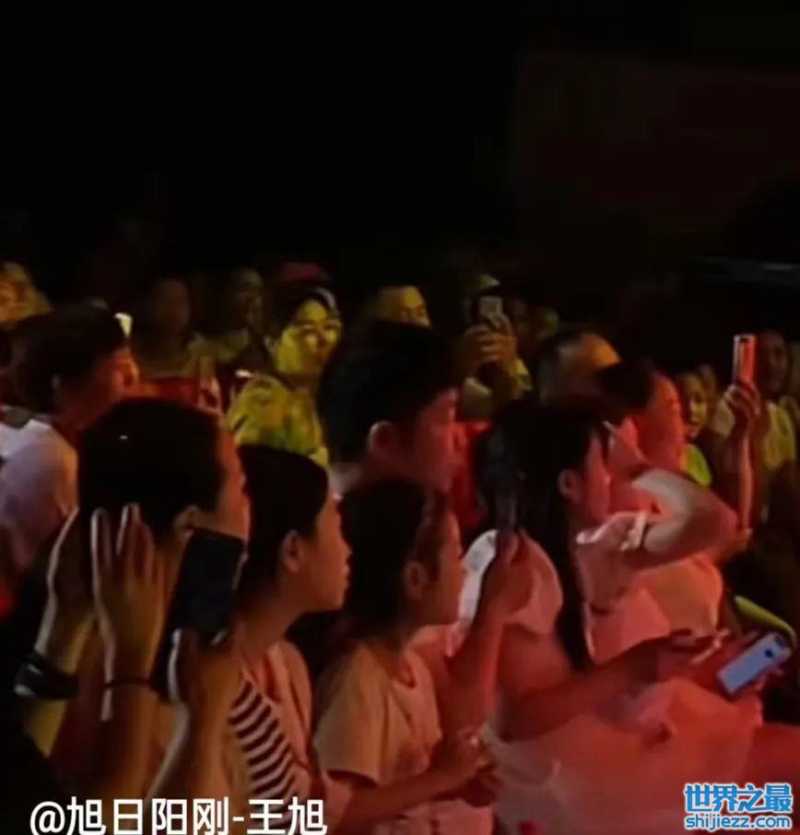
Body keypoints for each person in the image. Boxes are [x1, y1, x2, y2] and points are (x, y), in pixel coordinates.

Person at [478, 403, 798, 833]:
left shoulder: (600, 547)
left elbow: (717, 522)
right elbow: (516, 718)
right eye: (603, 464)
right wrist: (636, 667)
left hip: (670, 756)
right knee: (778, 810)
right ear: (570, 484)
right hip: (626, 799)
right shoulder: (515, 570)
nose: (613, 478)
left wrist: (705, 675)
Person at [49, 398, 250, 792]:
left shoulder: (198, 652)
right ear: (191, 524)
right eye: (241, 489)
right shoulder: (112, 685)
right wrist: (200, 725)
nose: (249, 509)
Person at [315, 480, 491, 834]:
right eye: (455, 556)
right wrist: (441, 778)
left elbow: (397, 793)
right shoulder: (358, 679)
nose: (464, 571)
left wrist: (455, 782)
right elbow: (338, 815)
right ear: (415, 578)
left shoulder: (413, 669)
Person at [224, 447, 351, 827]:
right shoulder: (212, 691)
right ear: (293, 550)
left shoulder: (286, 666)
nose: (348, 550)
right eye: (336, 528)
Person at [0, 306, 139, 587]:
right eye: (117, 367)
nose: (132, 377)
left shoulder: (42, 440)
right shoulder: (49, 460)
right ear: (62, 385)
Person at [226, 286, 341, 465]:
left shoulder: (308, 396)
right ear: (271, 342)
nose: (323, 339)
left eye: (329, 327)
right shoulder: (264, 405)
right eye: (307, 331)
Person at [132, 274, 221, 412]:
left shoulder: (204, 356)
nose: (173, 309)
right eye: (164, 300)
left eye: (180, 301)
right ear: (146, 305)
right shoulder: (127, 359)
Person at [674, 370, 713, 487]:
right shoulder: (660, 455)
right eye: (681, 401)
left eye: (699, 400)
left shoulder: (696, 457)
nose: (691, 409)